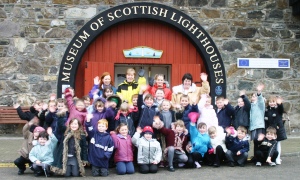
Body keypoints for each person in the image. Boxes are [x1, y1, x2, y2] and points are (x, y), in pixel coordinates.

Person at [265, 95, 287, 165]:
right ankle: (270, 157)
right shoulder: (267, 110)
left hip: (278, 129)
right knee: (270, 144)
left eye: (273, 102)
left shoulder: (278, 109)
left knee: (277, 144)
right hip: (270, 129)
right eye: (270, 102)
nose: (272, 103)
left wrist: (280, 104)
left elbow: (281, 109)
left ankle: (278, 158)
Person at [249, 84, 265, 156]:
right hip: (253, 127)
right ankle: (256, 156)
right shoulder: (251, 106)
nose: (253, 97)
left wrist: (259, 92)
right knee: (255, 142)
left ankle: (260, 156)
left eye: (255, 96)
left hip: (259, 126)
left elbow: (261, 100)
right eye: (252, 96)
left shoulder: (260, 105)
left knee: (258, 141)